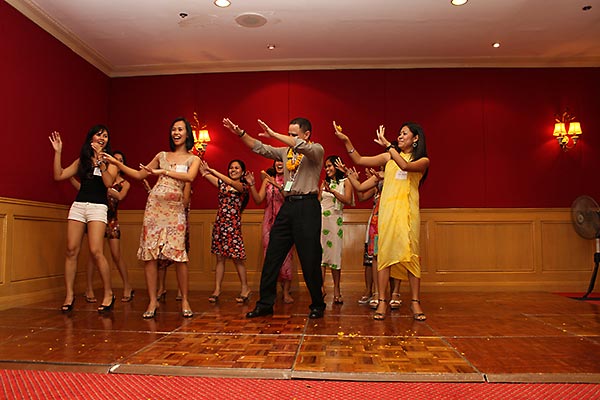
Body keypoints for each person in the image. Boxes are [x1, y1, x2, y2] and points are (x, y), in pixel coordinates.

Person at [222, 117, 326, 319]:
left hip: (308, 207)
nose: (290, 137)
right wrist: (241, 133)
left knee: (310, 258)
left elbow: (299, 145)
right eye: (289, 133)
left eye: (294, 134)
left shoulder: (316, 150)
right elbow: (259, 147)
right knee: (272, 255)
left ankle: (317, 304)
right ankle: (265, 304)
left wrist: (274, 134)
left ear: (306, 135)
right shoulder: (285, 153)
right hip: (288, 206)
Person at [102, 117, 201, 319]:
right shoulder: (161, 155)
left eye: (180, 129)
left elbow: (190, 177)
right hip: (154, 207)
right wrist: (116, 163)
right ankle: (152, 301)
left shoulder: (194, 159)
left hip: (175, 210)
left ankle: (185, 300)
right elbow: (140, 175)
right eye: (173, 129)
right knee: (150, 255)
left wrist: (163, 171)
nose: (176, 133)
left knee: (179, 256)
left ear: (187, 134)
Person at [333, 121, 429, 321]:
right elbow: (359, 159)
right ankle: (382, 301)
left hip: (408, 214)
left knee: (411, 255)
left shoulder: (422, 160)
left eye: (404, 133)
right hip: (387, 214)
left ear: (416, 138)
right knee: (384, 255)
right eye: (399, 133)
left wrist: (389, 146)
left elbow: (405, 165)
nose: (400, 136)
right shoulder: (388, 157)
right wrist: (346, 140)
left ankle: (415, 302)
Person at [49, 126, 118, 313]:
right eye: (99, 134)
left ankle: (108, 293)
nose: (102, 138)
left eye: (106, 135)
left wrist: (101, 162)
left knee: (96, 251)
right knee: (71, 250)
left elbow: (108, 183)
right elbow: (59, 175)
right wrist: (58, 152)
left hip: (98, 207)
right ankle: (69, 295)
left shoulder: (110, 161)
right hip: (79, 206)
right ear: (91, 138)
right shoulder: (82, 160)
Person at [69, 150, 135, 303]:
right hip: (95, 216)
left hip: (111, 220)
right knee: (93, 254)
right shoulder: (99, 174)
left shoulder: (124, 183)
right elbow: (83, 188)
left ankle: (127, 286)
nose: (116, 161)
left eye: (120, 160)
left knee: (116, 255)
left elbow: (120, 196)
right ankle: (89, 288)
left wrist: (106, 187)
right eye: (114, 158)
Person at [199, 158, 252, 304]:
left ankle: (245, 288)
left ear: (242, 172)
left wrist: (213, 170)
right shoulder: (223, 184)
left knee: (237, 258)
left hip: (233, 226)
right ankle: (217, 289)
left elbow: (229, 182)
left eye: (236, 168)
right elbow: (206, 175)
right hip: (220, 225)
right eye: (231, 168)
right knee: (219, 258)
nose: (233, 170)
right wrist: (203, 170)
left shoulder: (243, 186)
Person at [245, 161, 295, 304]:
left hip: (286, 221)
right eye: (277, 161)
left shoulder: (290, 179)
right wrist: (252, 185)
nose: (279, 163)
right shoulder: (267, 180)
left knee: (286, 256)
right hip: (268, 223)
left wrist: (276, 184)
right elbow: (258, 199)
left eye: (281, 161)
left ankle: (286, 292)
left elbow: (289, 198)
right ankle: (270, 292)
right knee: (270, 257)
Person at [319, 156, 353, 304]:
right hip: (321, 221)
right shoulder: (324, 183)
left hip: (335, 221)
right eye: (326, 167)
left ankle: (337, 289)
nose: (327, 169)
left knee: (334, 256)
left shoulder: (346, 182)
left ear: (337, 166)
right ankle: (320, 288)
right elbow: (319, 201)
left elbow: (348, 200)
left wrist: (332, 191)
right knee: (320, 256)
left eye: (330, 166)